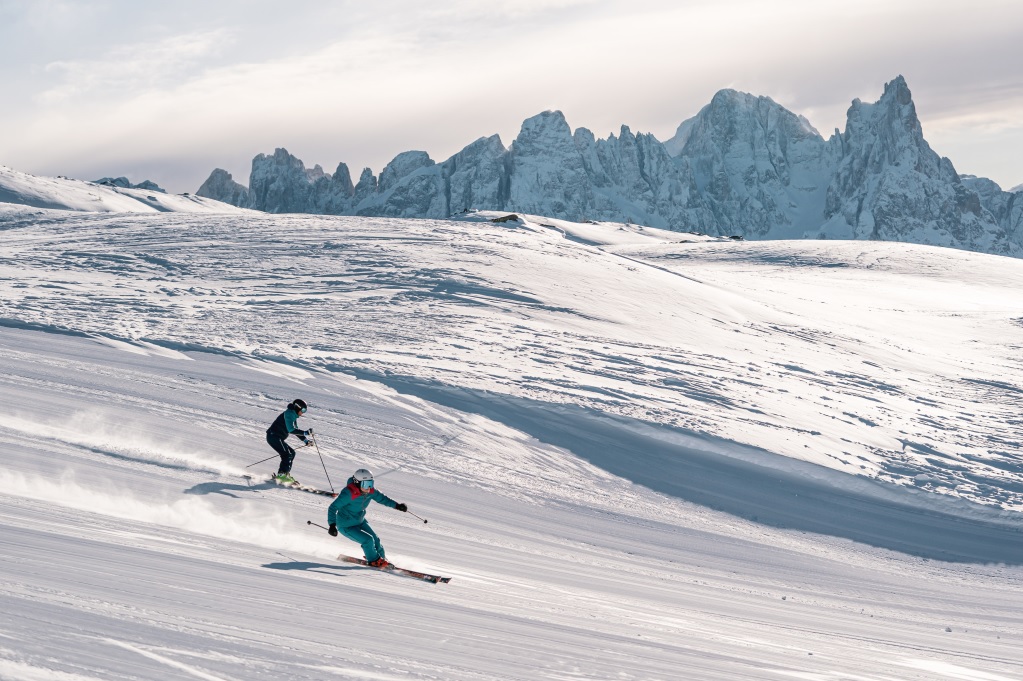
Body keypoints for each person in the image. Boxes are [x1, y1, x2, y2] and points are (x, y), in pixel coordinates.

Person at [326, 468, 408, 567]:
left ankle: (381, 559)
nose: (369, 487)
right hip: (346, 525)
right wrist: (332, 525)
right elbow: (333, 507)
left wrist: (397, 505)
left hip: (360, 521)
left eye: (371, 483)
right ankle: (374, 560)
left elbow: (382, 499)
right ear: (357, 483)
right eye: (365, 484)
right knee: (368, 540)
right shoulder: (348, 493)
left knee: (375, 540)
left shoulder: (370, 491)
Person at [265, 399, 312, 484]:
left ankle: (284, 474)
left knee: (292, 452)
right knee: (287, 454)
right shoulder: (289, 414)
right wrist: (305, 432)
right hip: (273, 436)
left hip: (276, 437)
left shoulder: (293, 415)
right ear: (298, 408)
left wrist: (306, 440)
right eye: (303, 410)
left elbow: (296, 431)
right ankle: (282, 476)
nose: (303, 413)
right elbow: (291, 430)